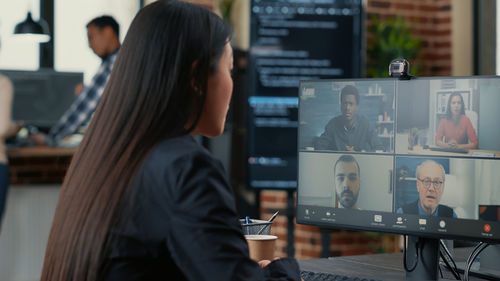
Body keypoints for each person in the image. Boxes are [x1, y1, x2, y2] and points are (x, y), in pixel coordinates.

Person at [40, 2, 300, 281]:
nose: (232, 84)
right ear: (197, 77)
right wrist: (285, 270)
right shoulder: (187, 168)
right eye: (230, 69)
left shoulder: (106, 154)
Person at [30, 15, 121, 147]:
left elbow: (83, 108)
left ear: (107, 32)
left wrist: (50, 139)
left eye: (91, 37)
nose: (89, 45)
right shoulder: (126, 61)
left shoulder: (114, 64)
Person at [313, 85, 382, 152]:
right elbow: (319, 146)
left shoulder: (366, 125)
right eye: (345, 103)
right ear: (341, 106)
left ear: (357, 107)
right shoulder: (333, 124)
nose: (347, 108)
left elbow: (379, 148)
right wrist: (338, 152)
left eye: (351, 104)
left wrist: (358, 153)